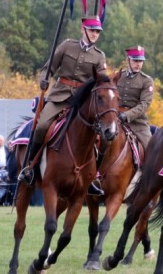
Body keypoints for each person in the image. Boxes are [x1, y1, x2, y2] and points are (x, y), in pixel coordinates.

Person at [20, 15, 107, 186]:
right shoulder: (67, 45)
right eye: (92, 30)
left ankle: (93, 177)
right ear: (83, 30)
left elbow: (102, 81)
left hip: (82, 101)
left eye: (98, 31)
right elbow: (49, 67)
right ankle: (31, 167)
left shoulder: (99, 56)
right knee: (42, 125)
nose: (95, 34)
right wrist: (44, 79)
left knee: (100, 135)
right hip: (60, 96)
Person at [94, 45, 155, 196]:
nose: (138, 64)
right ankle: (92, 176)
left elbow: (144, 105)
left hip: (138, 123)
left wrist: (127, 116)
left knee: (151, 149)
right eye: (135, 60)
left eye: (140, 61)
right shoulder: (116, 77)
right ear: (128, 60)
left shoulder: (146, 81)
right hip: (115, 118)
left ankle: (149, 183)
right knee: (97, 140)